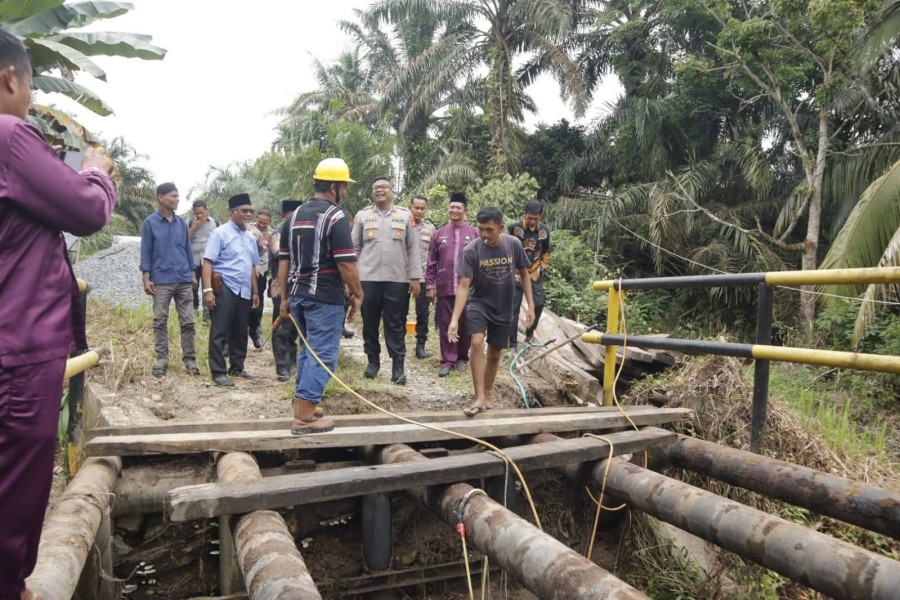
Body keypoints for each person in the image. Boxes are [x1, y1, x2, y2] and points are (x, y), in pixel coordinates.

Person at [0, 27, 117, 600]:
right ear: (9, 78)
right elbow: (87, 210)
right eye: (27, 90)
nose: (27, 103)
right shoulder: (7, 136)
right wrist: (94, 170)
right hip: (17, 347)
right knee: (16, 484)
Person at [279, 158, 363, 434]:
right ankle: (304, 418)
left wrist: (284, 298)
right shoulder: (335, 216)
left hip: (298, 295)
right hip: (324, 297)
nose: (345, 192)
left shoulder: (294, 216)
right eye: (344, 186)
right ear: (333, 187)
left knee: (308, 351)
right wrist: (358, 293)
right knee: (322, 355)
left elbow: (283, 261)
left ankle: (305, 404)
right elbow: (346, 263)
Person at [448, 206, 534, 416]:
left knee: (494, 353)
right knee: (477, 343)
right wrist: (454, 319)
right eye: (481, 229)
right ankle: (478, 397)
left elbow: (524, 274)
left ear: (500, 227)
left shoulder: (513, 244)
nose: (484, 234)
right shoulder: (472, 250)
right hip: (479, 303)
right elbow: (464, 286)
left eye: (489, 230)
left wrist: (530, 305)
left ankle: (486, 395)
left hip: (503, 305)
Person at [351, 176, 421, 384]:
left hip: (396, 279)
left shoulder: (405, 216)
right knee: (369, 323)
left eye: (384, 187)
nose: (380, 190)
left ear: (392, 191)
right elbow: (354, 249)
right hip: (367, 278)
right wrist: (351, 280)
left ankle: (398, 367)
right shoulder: (363, 216)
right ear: (372, 193)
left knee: (395, 324)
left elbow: (412, 248)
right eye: (376, 188)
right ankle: (373, 362)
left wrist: (415, 277)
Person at [140, 182, 201, 377]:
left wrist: (192, 273)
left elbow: (187, 249)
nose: (177, 199)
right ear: (161, 198)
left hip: (183, 278)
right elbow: (146, 252)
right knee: (160, 320)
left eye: (177, 196)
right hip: (161, 279)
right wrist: (146, 277)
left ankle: (189, 359)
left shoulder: (181, 223)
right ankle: (161, 359)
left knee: (188, 321)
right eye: (173, 196)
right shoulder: (150, 223)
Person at [202, 193, 260, 387]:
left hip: (244, 290)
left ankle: (237, 367)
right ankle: (218, 372)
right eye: (244, 211)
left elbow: (252, 266)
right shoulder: (220, 233)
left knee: (240, 331)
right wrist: (208, 290)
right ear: (232, 212)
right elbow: (208, 262)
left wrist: (255, 292)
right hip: (225, 287)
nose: (248, 214)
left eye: (250, 211)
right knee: (220, 331)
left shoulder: (250, 237)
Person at [425, 192, 478, 377]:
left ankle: (462, 358)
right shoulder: (439, 234)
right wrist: (430, 286)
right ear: (448, 209)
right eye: (452, 207)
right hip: (445, 286)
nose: (455, 210)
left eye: (458, 208)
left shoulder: (474, 233)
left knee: (465, 323)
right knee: (446, 323)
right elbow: (431, 261)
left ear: (465, 211)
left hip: (468, 288)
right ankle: (448, 360)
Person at [508, 200, 551, 351]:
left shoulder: (544, 231)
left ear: (541, 216)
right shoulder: (514, 228)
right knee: (513, 308)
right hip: (517, 273)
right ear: (525, 214)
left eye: (535, 218)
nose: (532, 221)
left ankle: (529, 333)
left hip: (534, 272)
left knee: (538, 303)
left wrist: (543, 266)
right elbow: (508, 248)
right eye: (530, 217)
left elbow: (546, 251)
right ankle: (512, 343)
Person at [271, 199, 302, 381]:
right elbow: (279, 254)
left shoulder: (301, 232)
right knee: (282, 328)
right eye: (292, 214)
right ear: (284, 215)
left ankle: (292, 363)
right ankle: (282, 367)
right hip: (282, 289)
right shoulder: (278, 234)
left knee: (294, 329)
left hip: (299, 288)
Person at [408, 194, 435, 359]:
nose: (419, 211)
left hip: (424, 277)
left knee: (423, 313)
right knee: (398, 312)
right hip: (403, 276)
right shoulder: (402, 225)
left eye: (422, 208)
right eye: (416, 208)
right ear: (410, 207)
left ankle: (420, 346)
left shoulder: (430, 229)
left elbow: (433, 256)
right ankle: (398, 345)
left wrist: (433, 283)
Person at [247, 209, 274, 349]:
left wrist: (258, 270)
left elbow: (267, 255)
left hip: (260, 274)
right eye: (260, 222)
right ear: (256, 218)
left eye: (265, 223)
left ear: (269, 222)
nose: (262, 225)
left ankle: (255, 331)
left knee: (257, 305)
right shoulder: (247, 229)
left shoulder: (272, 234)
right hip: (243, 272)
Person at [187, 199, 218, 316]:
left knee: (208, 288)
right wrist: (194, 227)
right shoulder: (189, 223)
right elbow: (184, 241)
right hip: (193, 262)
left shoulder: (216, 223)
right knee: (192, 288)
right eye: (197, 213)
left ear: (206, 210)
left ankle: (207, 315)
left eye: (201, 212)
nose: (199, 215)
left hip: (209, 262)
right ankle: (194, 313)